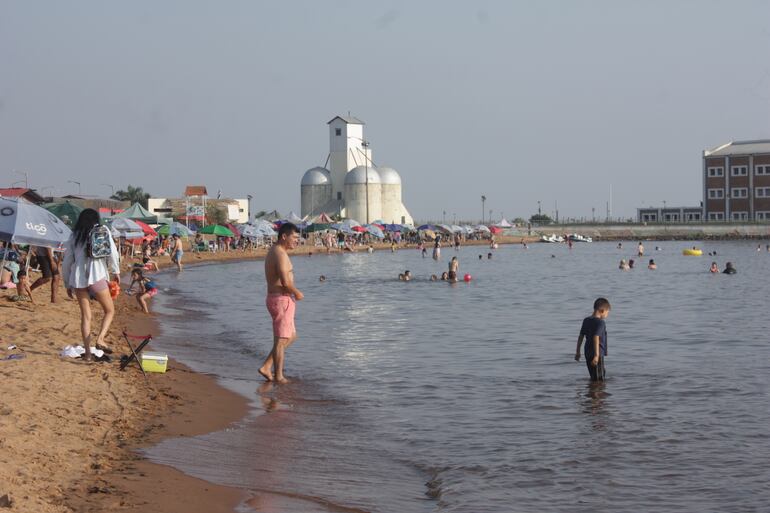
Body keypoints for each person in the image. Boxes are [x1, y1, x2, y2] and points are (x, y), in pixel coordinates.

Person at [61, 209, 120, 361]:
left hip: (79, 279)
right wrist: (116, 271)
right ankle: (100, 339)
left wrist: (67, 283)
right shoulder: (102, 230)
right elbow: (112, 253)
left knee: (86, 317)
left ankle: (87, 354)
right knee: (109, 310)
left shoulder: (74, 234)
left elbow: (67, 261)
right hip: (97, 276)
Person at [259, 223, 303, 384]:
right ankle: (278, 376)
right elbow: (285, 281)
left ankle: (267, 365)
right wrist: (296, 292)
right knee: (280, 339)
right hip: (281, 300)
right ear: (284, 236)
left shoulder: (276, 251)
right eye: (295, 237)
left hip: (280, 299)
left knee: (290, 336)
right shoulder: (280, 254)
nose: (297, 241)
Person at [574, 297, 611, 382]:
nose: (607, 315)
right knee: (599, 379)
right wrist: (596, 355)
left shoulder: (586, 320)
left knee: (594, 376)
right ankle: (596, 394)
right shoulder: (600, 322)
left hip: (587, 352)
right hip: (597, 354)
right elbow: (596, 337)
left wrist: (578, 352)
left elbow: (580, 337)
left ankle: (592, 392)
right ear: (602, 311)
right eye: (607, 312)